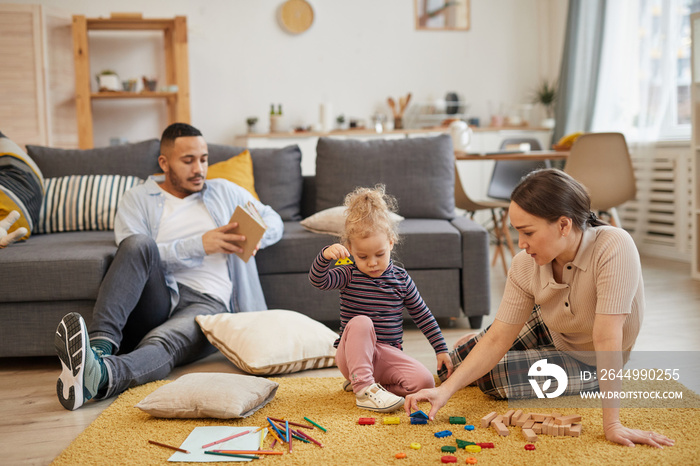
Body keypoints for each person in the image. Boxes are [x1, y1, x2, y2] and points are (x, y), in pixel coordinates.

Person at [406, 168, 674, 449]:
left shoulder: (614, 246)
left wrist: (613, 424)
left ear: (563, 225)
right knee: (454, 362)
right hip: (552, 323)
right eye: (516, 232)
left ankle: (595, 381)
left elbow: (607, 337)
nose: (521, 244)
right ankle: (476, 347)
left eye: (528, 232)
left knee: (495, 377)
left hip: (590, 357)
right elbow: (499, 337)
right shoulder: (525, 263)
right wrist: (444, 391)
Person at [55, 123, 283, 410]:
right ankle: (99, 349)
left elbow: (273, 217)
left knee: (162, 341)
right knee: (138, 243)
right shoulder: (137, 199)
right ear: (164, 163)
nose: (199, 168)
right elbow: (130, 257)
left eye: (204, 159)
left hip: (208, 302)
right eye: (188, 160)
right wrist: (200, 245)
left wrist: (260, 233)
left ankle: (99, 374)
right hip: (158, 296)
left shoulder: (225, 191)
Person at [309, 185, 453, 413]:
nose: (372, 263)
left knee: (425, 382)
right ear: (349, 250)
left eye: (379, 254)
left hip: (386, 356)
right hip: (351, 355)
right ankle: (364, 388)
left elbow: (423, 315)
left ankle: (368, 384)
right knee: (361, 322)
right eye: (363, 256)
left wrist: (441, 349)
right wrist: (325, 256)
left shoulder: (401, 279)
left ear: (391, 243)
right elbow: (320, 281)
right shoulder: (348, 272)